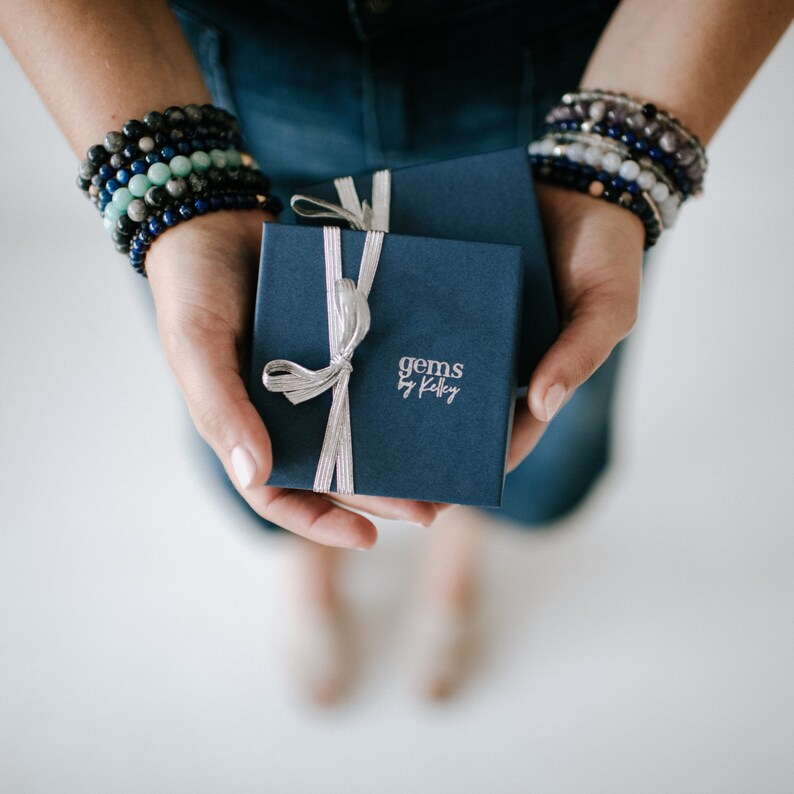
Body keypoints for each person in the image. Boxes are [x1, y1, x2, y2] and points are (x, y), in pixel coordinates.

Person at [2, 0, 790, 705]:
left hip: (554, 58)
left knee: (530, 396)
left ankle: (458, 541)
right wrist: (175, 197)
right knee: (252, 396)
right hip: (215, 74)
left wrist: (623, 161)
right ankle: (311, 561)